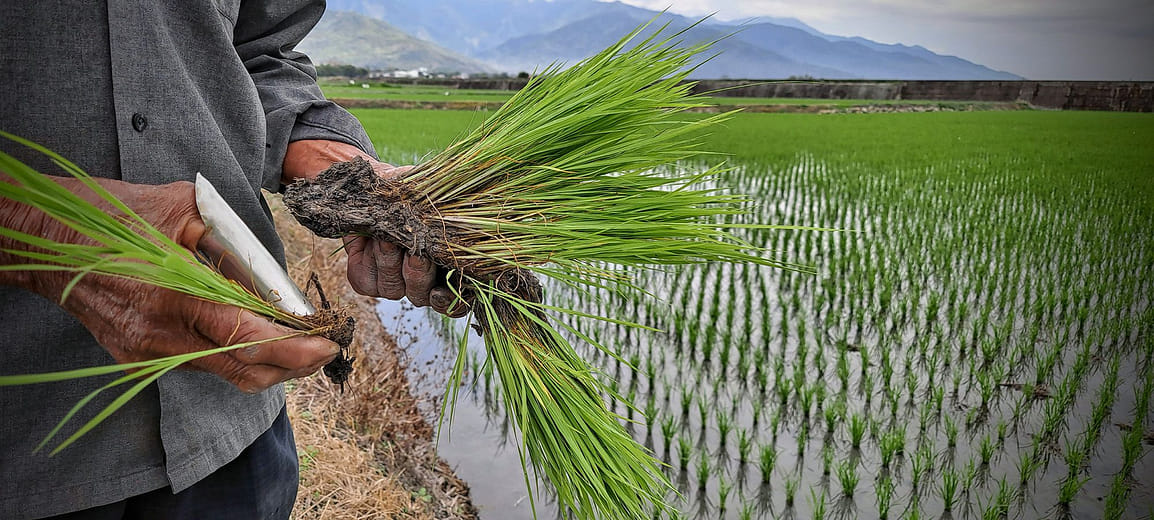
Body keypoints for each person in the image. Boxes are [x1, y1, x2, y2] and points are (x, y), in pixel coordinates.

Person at [0, 2, 460, 518]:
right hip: (28, 455)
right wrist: (48, 234)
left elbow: (262, 50)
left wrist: (345, 180)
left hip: (233, 428)